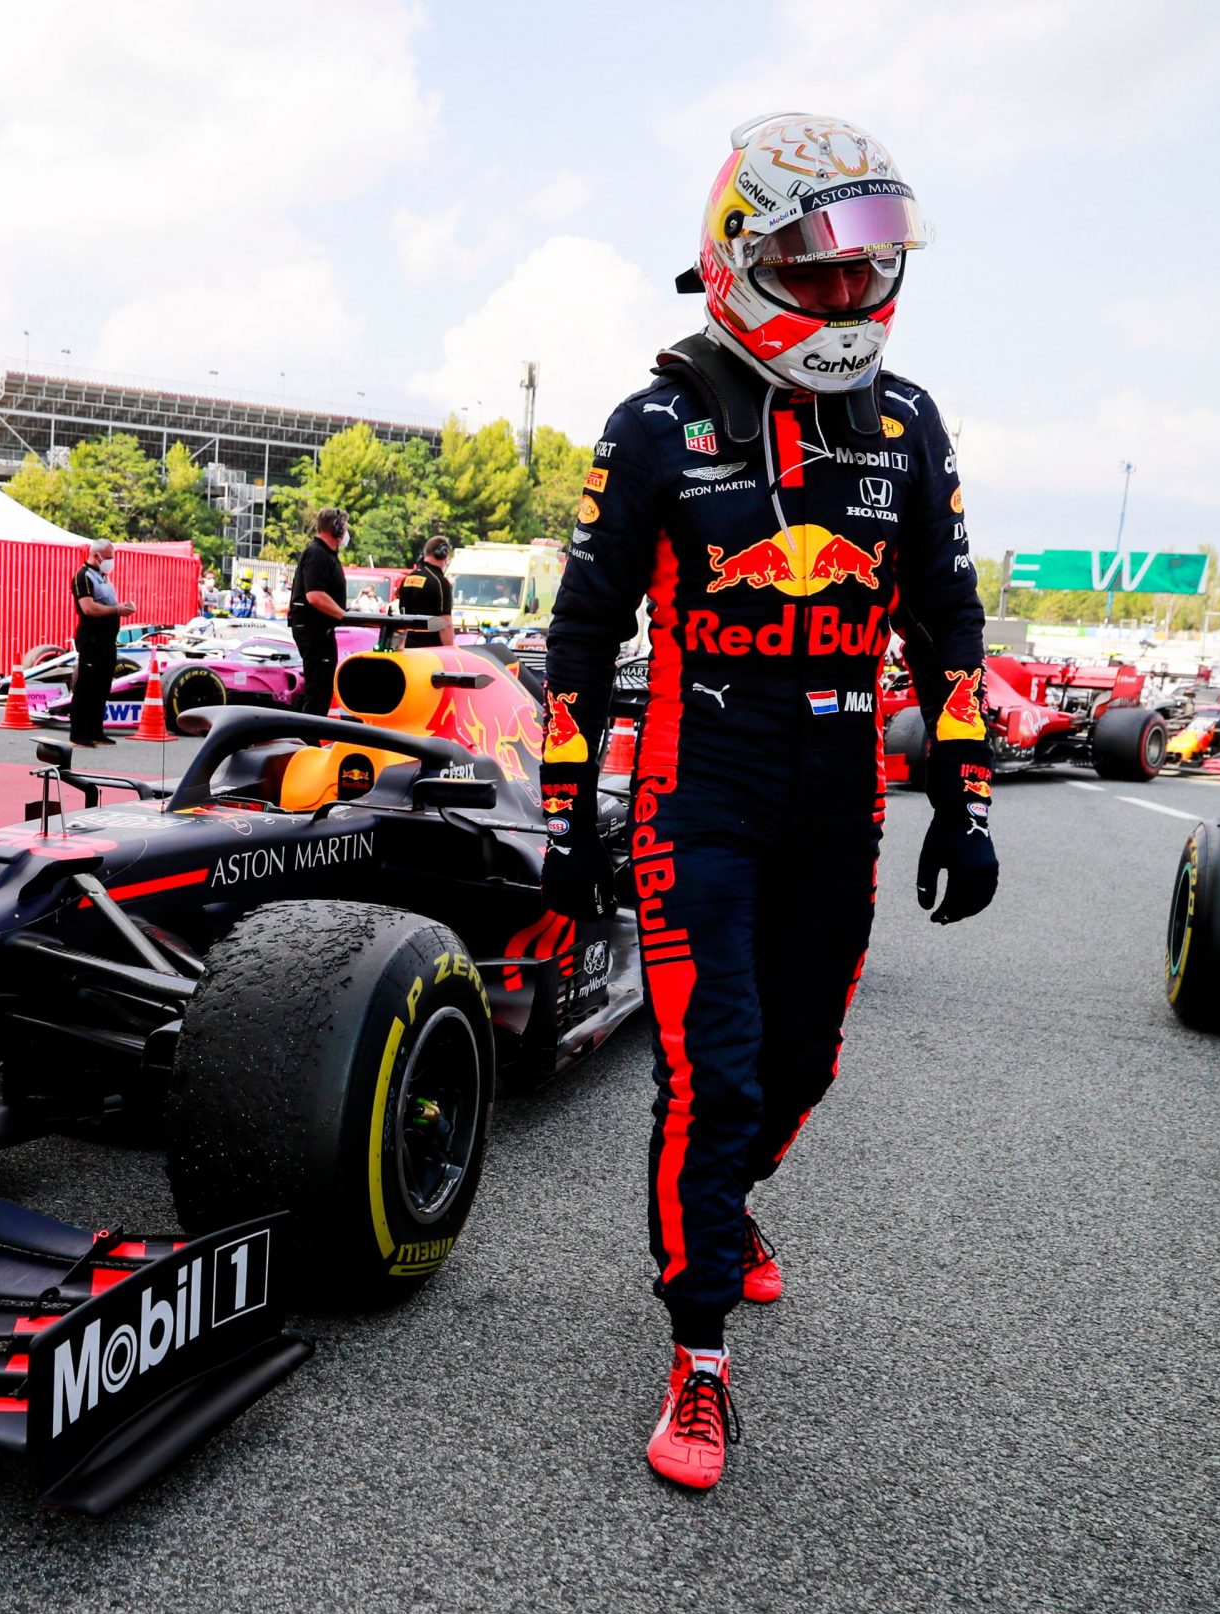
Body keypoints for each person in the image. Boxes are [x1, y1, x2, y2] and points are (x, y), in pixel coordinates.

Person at [541, 111, 995, 1492]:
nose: (850, 291)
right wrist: (565, 818)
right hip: (701, 790)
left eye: (869, 264)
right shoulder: (651, 425)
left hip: (838, 797)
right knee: (714, 1069)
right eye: (820, 265)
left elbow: (949, 625)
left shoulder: (908, 423)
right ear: (742, 259)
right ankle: (699, 1356)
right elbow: (581, 638)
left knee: (800, 1064)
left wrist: (966, 801)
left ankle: (726, 1204)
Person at [67, 538, 133, 747]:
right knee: (86, 686)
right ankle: (78, 733)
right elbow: (89, 608)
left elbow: (107, 603)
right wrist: (117, 610)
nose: (111, 561)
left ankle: (96, 731)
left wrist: (122, 607)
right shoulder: (83, 577)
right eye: (108, 557)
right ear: (96, 556)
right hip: (92, 640)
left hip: (107, 640)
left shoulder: (104, 578)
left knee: (102, 687)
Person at [288, 509, 352, 716]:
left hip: (320, 630)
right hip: (313, 630)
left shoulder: (326, 554)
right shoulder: (318, 553)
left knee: (321, 687)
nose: (347, 532)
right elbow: (315, 595)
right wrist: (343, 614)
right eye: (345, 527)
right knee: (318, 687)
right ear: (337, 528)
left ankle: (312, 728)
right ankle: (311, 732)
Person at [399, 536, 456, 648]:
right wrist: (451, 652)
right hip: (431, 650)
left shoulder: (408, 578)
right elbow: (445, 624)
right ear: (442, 553)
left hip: (408, 648)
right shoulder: (440, 582)